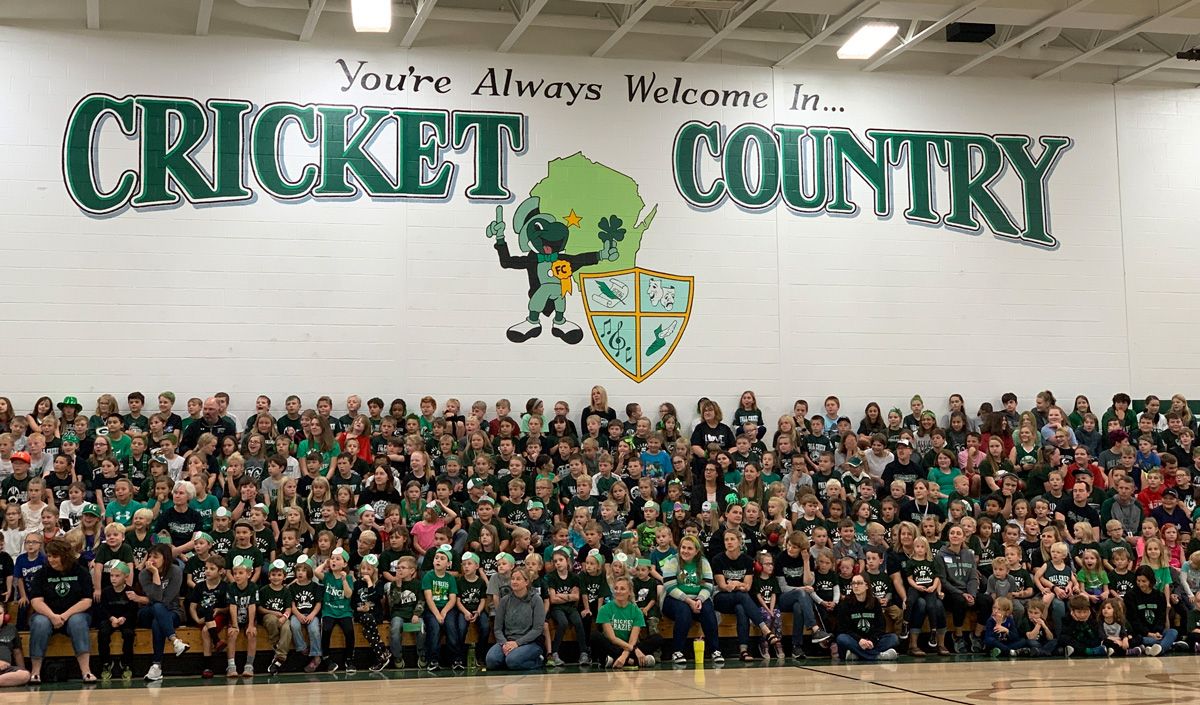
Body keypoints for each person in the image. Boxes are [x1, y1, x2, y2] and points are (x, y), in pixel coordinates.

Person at [27, 537, 94, 683]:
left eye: (55, 556)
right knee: (39, 623)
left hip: (74, 613)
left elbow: (87, 601)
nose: (51, 560)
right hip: (47, 614)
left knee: (78, 622)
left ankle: (86, 671)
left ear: (65, 556)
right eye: (49, 556)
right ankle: (35, 672)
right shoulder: (42, 573)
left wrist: (64, 616)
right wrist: (52, 616)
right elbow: (36, 601)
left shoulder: (81, 572)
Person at [659, 535, 723, 664]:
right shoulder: (672, 561)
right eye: (683, 547)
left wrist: (699, 600)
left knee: (709, 610)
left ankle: (715, 650)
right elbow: (669, 586)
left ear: (696, 551)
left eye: (689, 548)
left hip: (698, 598)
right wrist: (689, 601)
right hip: (674, 599)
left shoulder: (703, 562)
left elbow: (708, 585)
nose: (685, 551)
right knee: (684, 611)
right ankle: (677, 651)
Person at [138, 543, 190, 681]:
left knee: (158, 622)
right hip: (147, 612)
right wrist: (155, 573)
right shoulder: (144, 574)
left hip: (173, 611)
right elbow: (156, 598)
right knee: (156, 608)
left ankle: (156, 667)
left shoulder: (175, 571)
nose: (152, 560)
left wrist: (149, 599)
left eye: (156, 556)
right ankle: (175, 641)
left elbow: (166, 600)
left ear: (165, 558)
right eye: (150, 556)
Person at [590, 576, 661, 668]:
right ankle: (634, 661)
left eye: (622, 589)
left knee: (657, 638)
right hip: (613, 646)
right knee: (595, 636)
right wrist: (634, 649)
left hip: (628, 645)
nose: (618, 591)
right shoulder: (604, 609)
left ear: (630, 592)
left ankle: (615, 660)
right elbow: (612, 638)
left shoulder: (636, 611)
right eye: (616, 588)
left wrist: (625, 654)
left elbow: (633, 639)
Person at [486, 566, 546, 671]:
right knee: (491, 661)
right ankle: (512, 660)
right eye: (512, 579)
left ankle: (538, 660)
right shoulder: (505, 600)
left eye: (518, 579)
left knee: (512, 661)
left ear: (526, 582)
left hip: (530, 642)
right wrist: (504, 643)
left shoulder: (536, 600)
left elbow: (538, 629)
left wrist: (517, 643)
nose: (514, 581)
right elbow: (497, 628)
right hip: (508, 641)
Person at [833, 574, 898, 661]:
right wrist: (859, 640)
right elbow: (843, 629)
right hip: (855, 640)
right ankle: (877, 656)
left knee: (893, 638)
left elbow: (880, 627)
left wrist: (872, 641)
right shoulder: (845, 604)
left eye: (859, 583)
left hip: (871, 641)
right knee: (841, 638)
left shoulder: (875, 603)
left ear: (866, 586)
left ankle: (857, 654)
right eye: (853, 583)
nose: (855, 586)